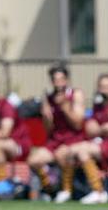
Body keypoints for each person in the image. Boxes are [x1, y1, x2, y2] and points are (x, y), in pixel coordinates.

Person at [54, 73, 108, 204]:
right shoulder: (98, 106)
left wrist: (101, 129)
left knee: (82, 151)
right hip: (97, 144)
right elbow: (90, 129)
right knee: (69, 150)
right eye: (102, 87)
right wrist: (104, 128)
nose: (104, 90)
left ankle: (98, 191)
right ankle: (66, 190)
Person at [26, 65, 84, 200]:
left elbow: (77, 123)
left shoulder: (75, 94)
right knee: (33, 160)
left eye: (61, 79)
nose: (58, 83)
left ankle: (66, 190)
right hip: (55, 141)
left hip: (74, 139)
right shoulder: (48, 97)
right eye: (55, 80)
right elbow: (48, 129)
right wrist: (46, 117)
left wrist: (65, 107)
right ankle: (50, 189)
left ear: (67, 80)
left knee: (61, 154)